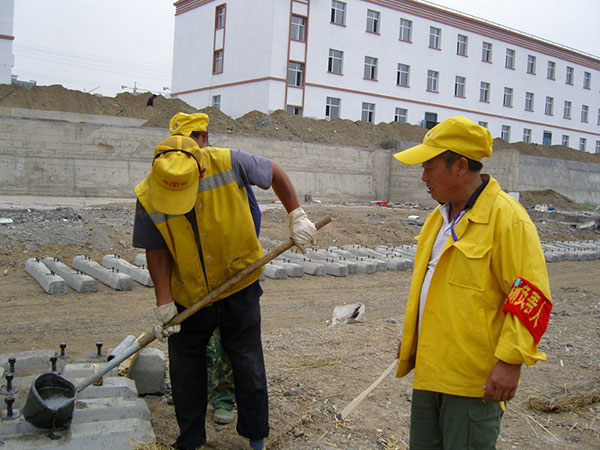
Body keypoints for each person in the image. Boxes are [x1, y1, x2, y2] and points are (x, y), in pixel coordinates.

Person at [132, 117, 317, 449]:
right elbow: (156, 249)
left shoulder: (229, 161)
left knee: (246, 361)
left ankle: (256, 437)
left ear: (200, 166)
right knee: (185, 366)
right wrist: (163, 302)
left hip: (239, 281)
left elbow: (273, 170)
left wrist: (296, 215)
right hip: (188, 293)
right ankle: (190, 440)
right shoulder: (148, 193)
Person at [393, 115, 552, 449]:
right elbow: (431, 287)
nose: (423, 177)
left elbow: (532, 296)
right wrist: (412, 337)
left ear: (461, 166)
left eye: (430, 168)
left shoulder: (508, 219)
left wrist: (510, 361)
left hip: (472, 383)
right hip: (430, 372)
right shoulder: (438, 219)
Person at [169, 112, 261, 426]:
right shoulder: (172, 175)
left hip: (234, 279)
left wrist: (238, 267)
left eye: (194, 139)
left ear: (204, 138)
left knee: (232, 346)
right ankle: (202, 401)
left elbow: (251, 222)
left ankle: (224, 397)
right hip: (195, 284)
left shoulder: (228, 167)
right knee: (200, 346)